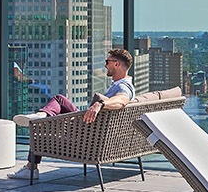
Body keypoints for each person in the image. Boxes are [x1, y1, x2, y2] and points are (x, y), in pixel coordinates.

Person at [9, 48, 136, 179]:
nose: (105, 65)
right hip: (93, 131)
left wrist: (99, 104)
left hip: (86, 133)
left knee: (47, 117)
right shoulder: (122, 84)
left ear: (116, 64)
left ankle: (32, 164)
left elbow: (123, 100)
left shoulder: (123, 87)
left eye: (107, 61)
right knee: (59, 102)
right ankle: (42, 115)